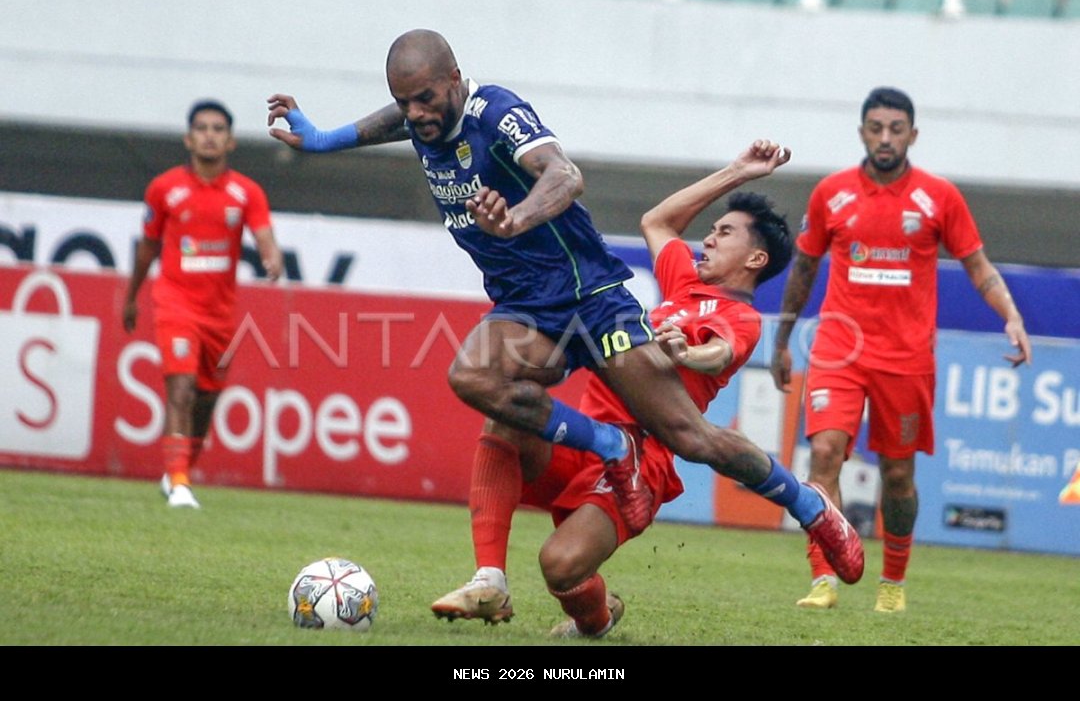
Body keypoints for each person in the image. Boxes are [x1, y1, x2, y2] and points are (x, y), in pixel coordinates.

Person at [267, 29, 862, 592]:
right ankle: (603, 454)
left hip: (590, 297)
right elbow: (398, 120)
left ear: (456, 79)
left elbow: (565, 174)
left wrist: (517, 219)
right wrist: (321, 139)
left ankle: (811, 507)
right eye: (405, 102)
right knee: (472, 378)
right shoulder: (422, 118)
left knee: (691, 437)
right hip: (527, 306)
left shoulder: (495, 111)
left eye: (426, 98)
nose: (417, 114)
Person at [431, 140, 795, 636]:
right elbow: (658, 221)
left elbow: (722, 350)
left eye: (723, 232)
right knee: (506, 409)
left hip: (644, 462)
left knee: (560, 566)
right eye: (711, 231)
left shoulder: (743, 317)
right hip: (589, 441)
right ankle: (489, 579)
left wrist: (689, 354)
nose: (707, 240)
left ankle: (596, 621)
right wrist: (736, 172)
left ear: (755, 258)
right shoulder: (684, 285)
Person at [770, 87, 1032, 613]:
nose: (885, 138)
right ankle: (824, 578)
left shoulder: (939, 197)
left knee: (897, 475)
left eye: (895, 129)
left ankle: (892, 581)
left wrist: (1012, 314)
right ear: (862, 131)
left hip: (906, 359)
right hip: (840, 349)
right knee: (823, 454)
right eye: (875, 127)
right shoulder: (831, 194)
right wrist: (781, 339)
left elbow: (978, 266)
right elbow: (803, 268)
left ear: (912, 135)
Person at [124, 99, 284, 510]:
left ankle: (178, 475)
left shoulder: (245, 192)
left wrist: (272, 256)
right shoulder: (164, 189)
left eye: (217, 129)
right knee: (180, 387)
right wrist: (131, 296)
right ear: (188, 138)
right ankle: (179, 483)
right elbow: (147, 248)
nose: (209, 135)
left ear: (229, 141)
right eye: (202, 128)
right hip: (174, 302)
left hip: (220, 313)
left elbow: (264, 233)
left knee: (207, 399)